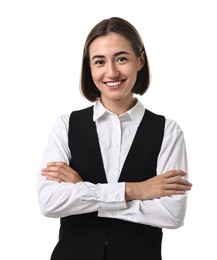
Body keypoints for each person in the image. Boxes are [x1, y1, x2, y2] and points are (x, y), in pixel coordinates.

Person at [37, 17, 192, 260]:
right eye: (99, 61)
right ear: (89, 67)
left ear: (139, 61)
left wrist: (82, 192)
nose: (111, 72)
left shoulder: (168, 131)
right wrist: (135, 190)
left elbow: (171, 214)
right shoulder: (65, 126)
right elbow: (49, 203)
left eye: (121, 59)